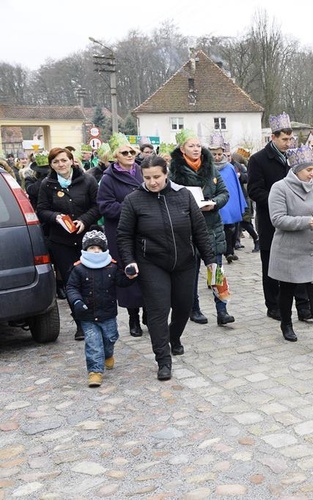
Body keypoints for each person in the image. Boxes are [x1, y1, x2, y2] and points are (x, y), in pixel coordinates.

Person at [117, 155, 216, 381]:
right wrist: (129, 260)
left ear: (166, 174)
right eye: (148, 177)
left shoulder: (184, 196)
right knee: (158, 310)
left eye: (157, 177)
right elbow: (124, 235)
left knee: (183, 306)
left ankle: (174, 336)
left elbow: (199, 229)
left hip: (185, 261)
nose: (153, 182)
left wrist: (210, 259)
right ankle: (163, 359)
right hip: (151, 263)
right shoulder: (134, 200)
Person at [268, 145, 313, 351]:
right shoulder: (280, 188)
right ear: (297, 169)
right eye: (309, 170)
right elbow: (277, 219)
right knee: (288, 290)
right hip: (289, 250)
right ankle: (286, 324)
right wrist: (305, 220)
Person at [247, 112, 312, 322]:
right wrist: (280, 201)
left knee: (300, 265)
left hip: (296, 220)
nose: (288, 143)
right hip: (270, 222)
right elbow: (255, 191)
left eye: (290, 139)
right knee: (271, 267)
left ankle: (303, 306)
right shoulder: (258, 160)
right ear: (273, 137)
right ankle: (273, 305)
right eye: (284, 139)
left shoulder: (294, 158)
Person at [169, 129, 234, 326]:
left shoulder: (211, 168)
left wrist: (213, 203)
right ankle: (194, 308)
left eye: (198, 145)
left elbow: (224, 192)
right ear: (182, 149)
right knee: (191, 273)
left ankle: (222, 309)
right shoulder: (175, 171)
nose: (196, 149)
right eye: (191, 146)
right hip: (188, 228)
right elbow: (170, 198)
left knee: (216, 270)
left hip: (212, 226)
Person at [36, 147, 100, 341]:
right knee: (72, 281)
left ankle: (96, 317)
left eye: (63, 160)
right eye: (55, 162)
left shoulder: (87, 180)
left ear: (72, 161)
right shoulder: (47, 184)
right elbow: (41, 210)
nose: (60, 165)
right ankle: (80, 322)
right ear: (51, 165)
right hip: (61, 241)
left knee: (92, 279)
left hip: (86, 239)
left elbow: (98, 206)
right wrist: (55, 217)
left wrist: (84, 220)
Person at [66, 227, 133, 387]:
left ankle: (108, 354)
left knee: (110, 338)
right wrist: (76, 302)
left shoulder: (112, 266)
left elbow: (121, 281)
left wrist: (131, 276)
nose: (95, 251)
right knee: (93, 343)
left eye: (98, 248)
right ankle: (95, 371)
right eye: (91, 248)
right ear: (85, 249)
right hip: (87, 315)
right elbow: (71, 287)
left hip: (108, 313)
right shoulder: (78, 268)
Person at [97, 133, 146, 336]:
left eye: (132, 152)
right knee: (129, 274)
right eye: (124, 152)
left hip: (144, 231)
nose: (129, 155)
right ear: (116, 155)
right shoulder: (108, 178)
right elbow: (105, 206)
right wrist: (131, 208)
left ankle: (149, 313)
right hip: (121, 233)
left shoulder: (143, 172)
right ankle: (133, 318)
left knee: (148, 274)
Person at [209, 134, 248, 265]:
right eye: (214, 154)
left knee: (230, 227)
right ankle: (223, 252)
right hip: (215, 202)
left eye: (219, 154)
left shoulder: (229, 167)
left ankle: (229, 251)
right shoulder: (207, 168)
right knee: (219, 228)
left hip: (229, 201)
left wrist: (238, 203)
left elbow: (234, 186)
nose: (217, 157)